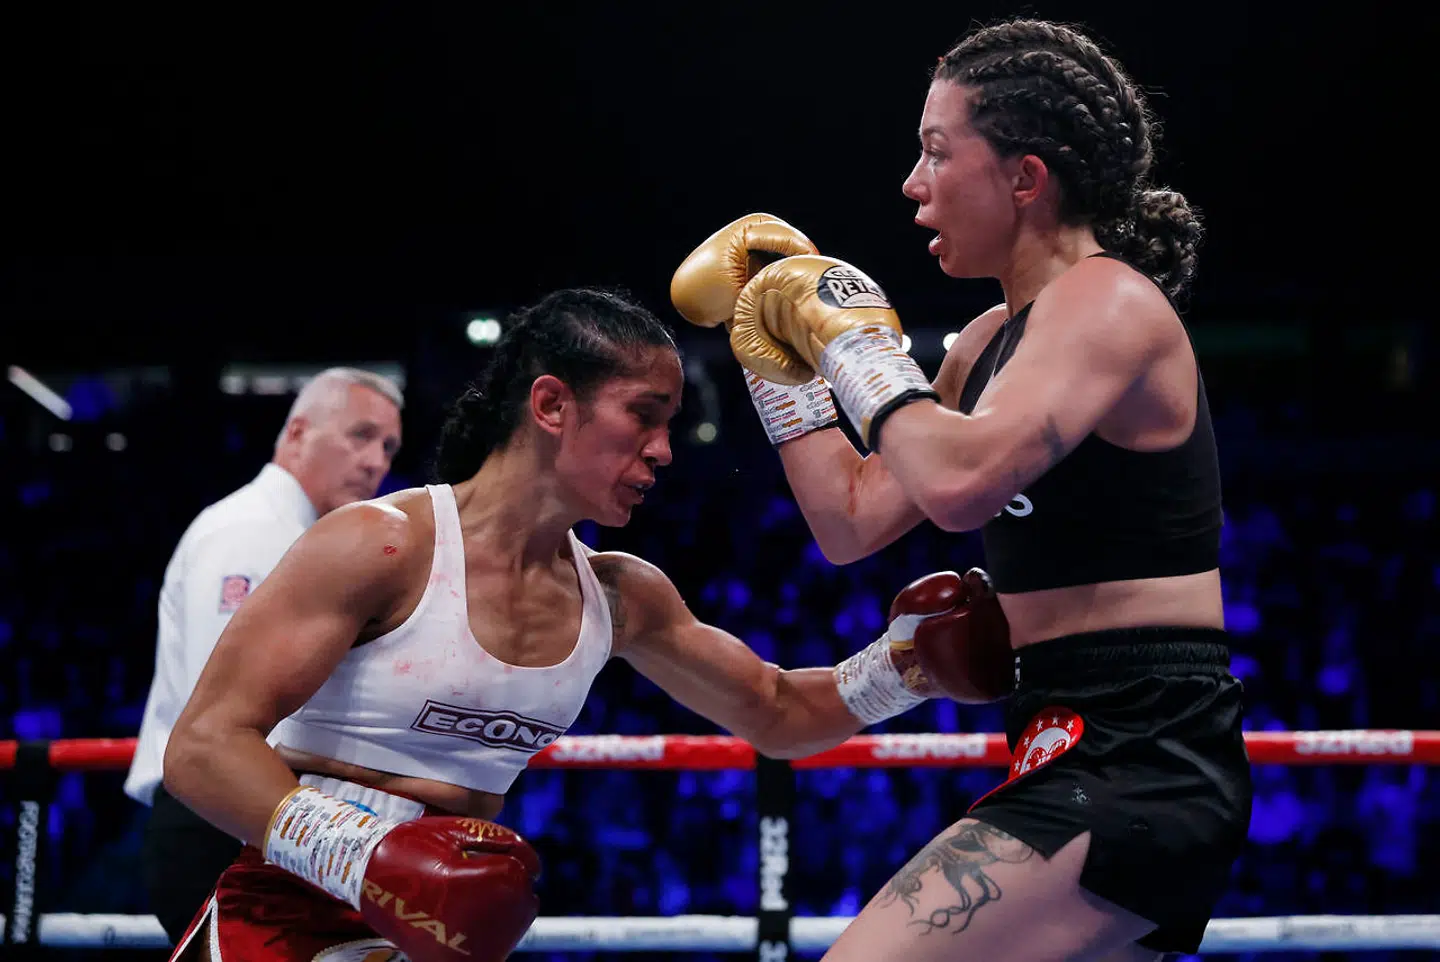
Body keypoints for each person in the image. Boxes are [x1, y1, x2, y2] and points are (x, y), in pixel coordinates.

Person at [159, 287, 1013, 962]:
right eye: (644, 414)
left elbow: (778, 714)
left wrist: (903, 669)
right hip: (289, 909)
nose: (665, 449)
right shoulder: (383, 545)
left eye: (669, 424)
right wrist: (366, 856)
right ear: (552, 404)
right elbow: (201, 746)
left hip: (446, 928)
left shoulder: (620, 593)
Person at [671, 18, 1252, 962]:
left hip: (1142, 757)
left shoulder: (1109, 303)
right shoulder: (988, 342)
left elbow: (961, 484)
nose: (912, 182)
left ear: (1025, 178)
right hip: (1067, 738)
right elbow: (851, 520)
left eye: (937, 151)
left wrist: (848, 343)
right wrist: (781, 366)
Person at [124, 367, 404, 944]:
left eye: (389, 446)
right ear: (298, 432)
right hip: (220, 821)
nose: (377, 460)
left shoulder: (305, 537)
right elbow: (230, 716)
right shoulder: (252, 533)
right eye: (361, 435)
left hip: (253, 819)